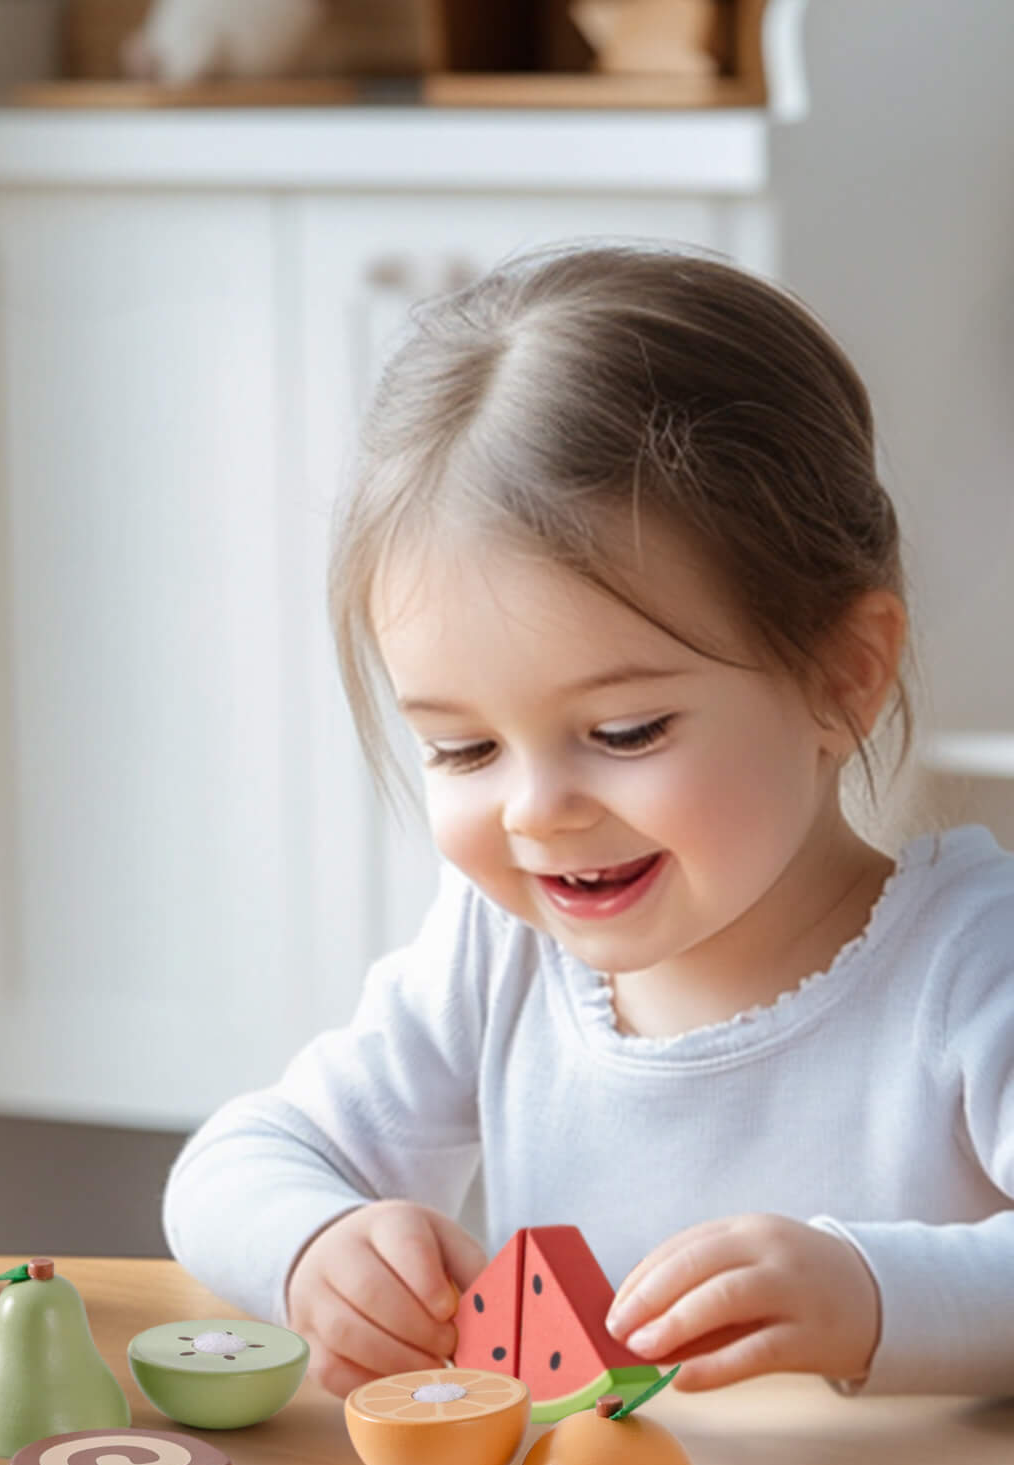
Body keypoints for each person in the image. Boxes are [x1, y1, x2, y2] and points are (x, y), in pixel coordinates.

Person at [165, 242, 1014, 1403]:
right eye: (462, 748)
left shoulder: (971, 964)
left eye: (622, 733)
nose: (534, 809)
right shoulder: (495, 949)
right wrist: (313, 1247)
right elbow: (231, 1166)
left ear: (840, 677)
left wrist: (870, 1292)